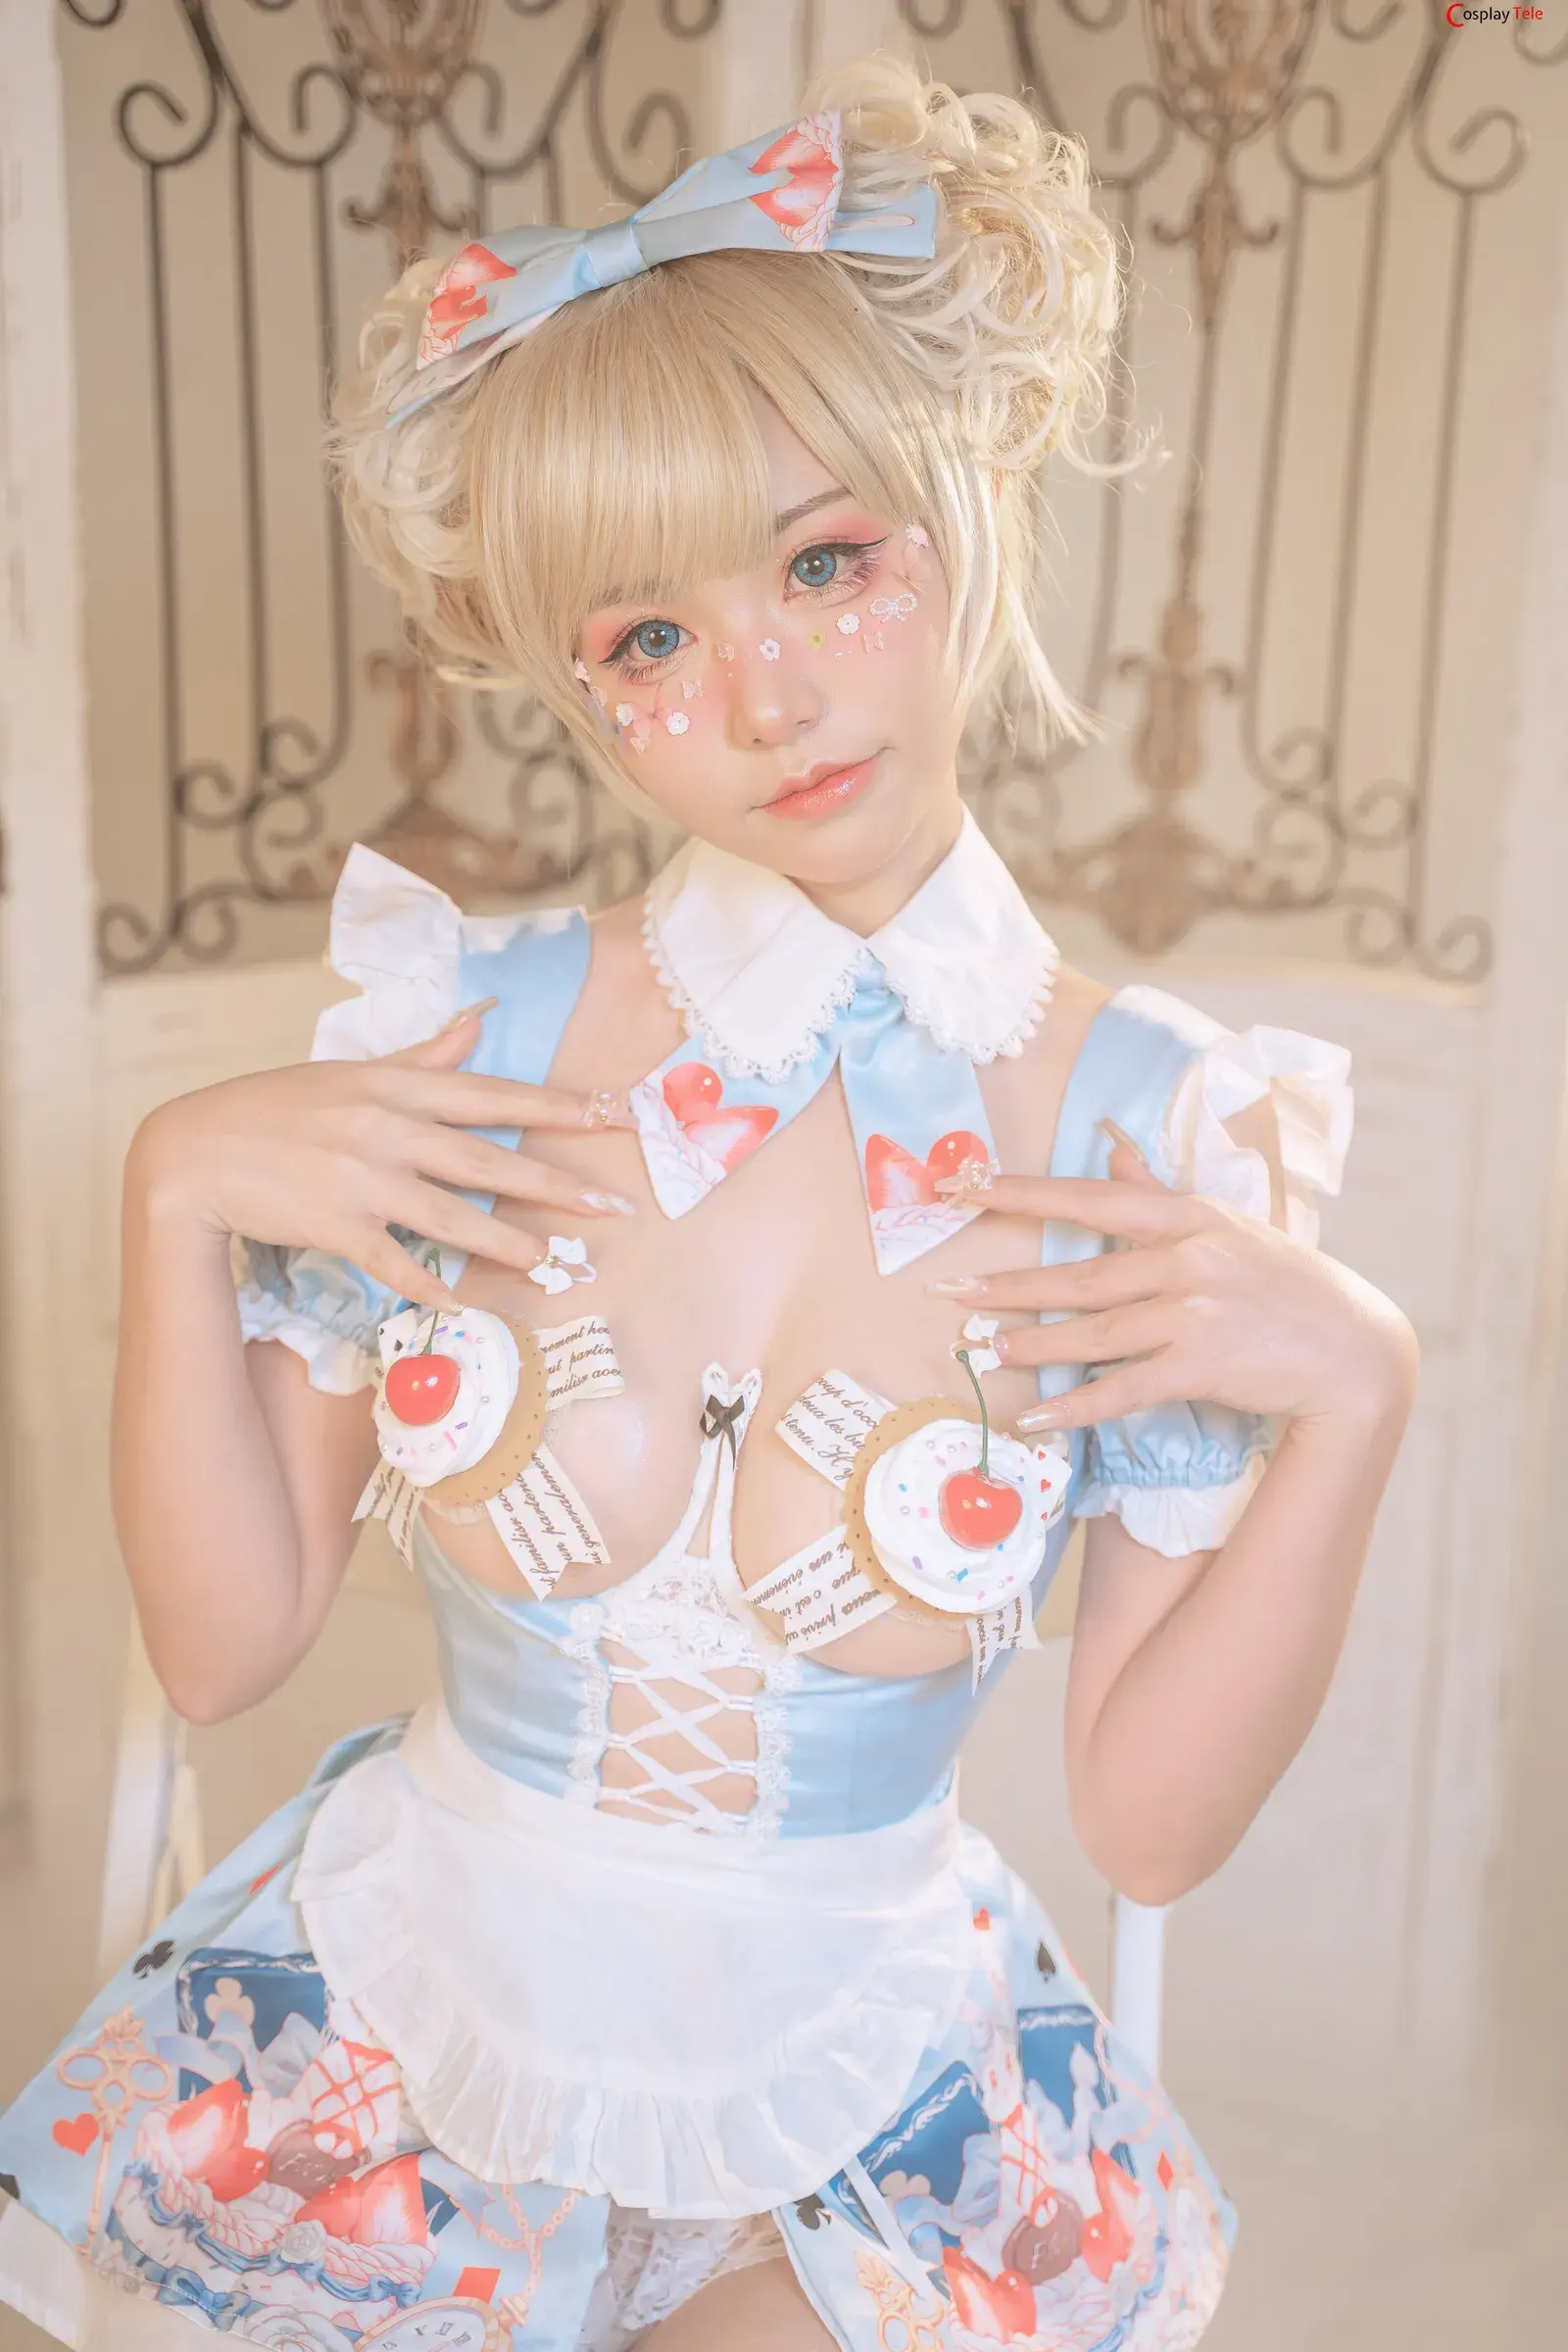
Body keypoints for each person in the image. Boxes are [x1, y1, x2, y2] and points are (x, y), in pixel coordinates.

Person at [0, 57, 1414, 2352]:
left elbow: (1143, 1829)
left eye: (825, 563)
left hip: (861, 2107)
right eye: (647, 639)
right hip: (396, 2039)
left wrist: (1356, 1398)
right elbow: (222, 1647)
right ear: (575, 687)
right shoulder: (465, 1031)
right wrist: (175, 1201)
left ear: (963, 507)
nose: (766, 692)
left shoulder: (1148, 1136)